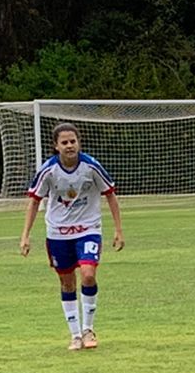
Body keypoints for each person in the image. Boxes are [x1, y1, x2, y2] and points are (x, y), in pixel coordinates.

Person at [19, 123, 125, 352]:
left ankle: (88, 330)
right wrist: (25, 235)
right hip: (58, 233)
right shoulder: (49, 170)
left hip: (88, 229)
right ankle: (75, 335)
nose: (69, 146)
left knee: (88, 274)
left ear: (79, 143)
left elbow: (110, 195)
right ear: (56, 146)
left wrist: (118, 230)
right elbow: (34, 201)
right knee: (67, 282)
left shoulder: (91, 166)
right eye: (64, 142)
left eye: (73, 141)